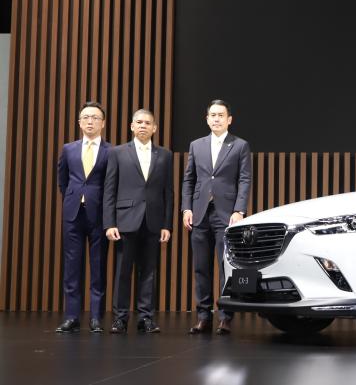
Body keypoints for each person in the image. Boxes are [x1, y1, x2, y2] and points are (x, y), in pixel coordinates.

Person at [182, 99, 251, 335]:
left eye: (221, 115)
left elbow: (244, 179)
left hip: (227, 214)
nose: (216, 119)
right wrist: (186, 208)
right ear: (207, 119)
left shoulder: (240, 145)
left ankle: (225, 317)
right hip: (200, 213)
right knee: (201, 268)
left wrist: (239, 210)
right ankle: (203, 317)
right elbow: (189, 179)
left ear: (229, 119)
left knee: (226, 268)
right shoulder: (196, 145)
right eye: (212, 115)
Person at [103, 109, 173, 334]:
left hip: (153, 221)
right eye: (139, 122)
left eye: (148, 123)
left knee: (149, 272)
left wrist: (167, 225)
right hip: (125, 221)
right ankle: (120, 318)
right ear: (132, 126)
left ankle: (146, 318)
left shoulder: (165, 155)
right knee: (123, 272)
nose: (143, 126)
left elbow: (168, 192)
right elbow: (109, 190)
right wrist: (109, 223)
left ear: (154, 128)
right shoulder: (117, 153)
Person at [56, 102, 111, 333]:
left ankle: (96, 317)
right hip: (73, 214)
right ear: (79, 122)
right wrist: (72, 198)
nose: (90, 121)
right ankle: (72, 317)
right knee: (72, 267)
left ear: (103, 123)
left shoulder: (111, 151)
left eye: (95, 118)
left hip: (98, 214)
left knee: (98, 266)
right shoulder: (68, 149)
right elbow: (62, 180)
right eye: (86, 117)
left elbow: (112, 184)